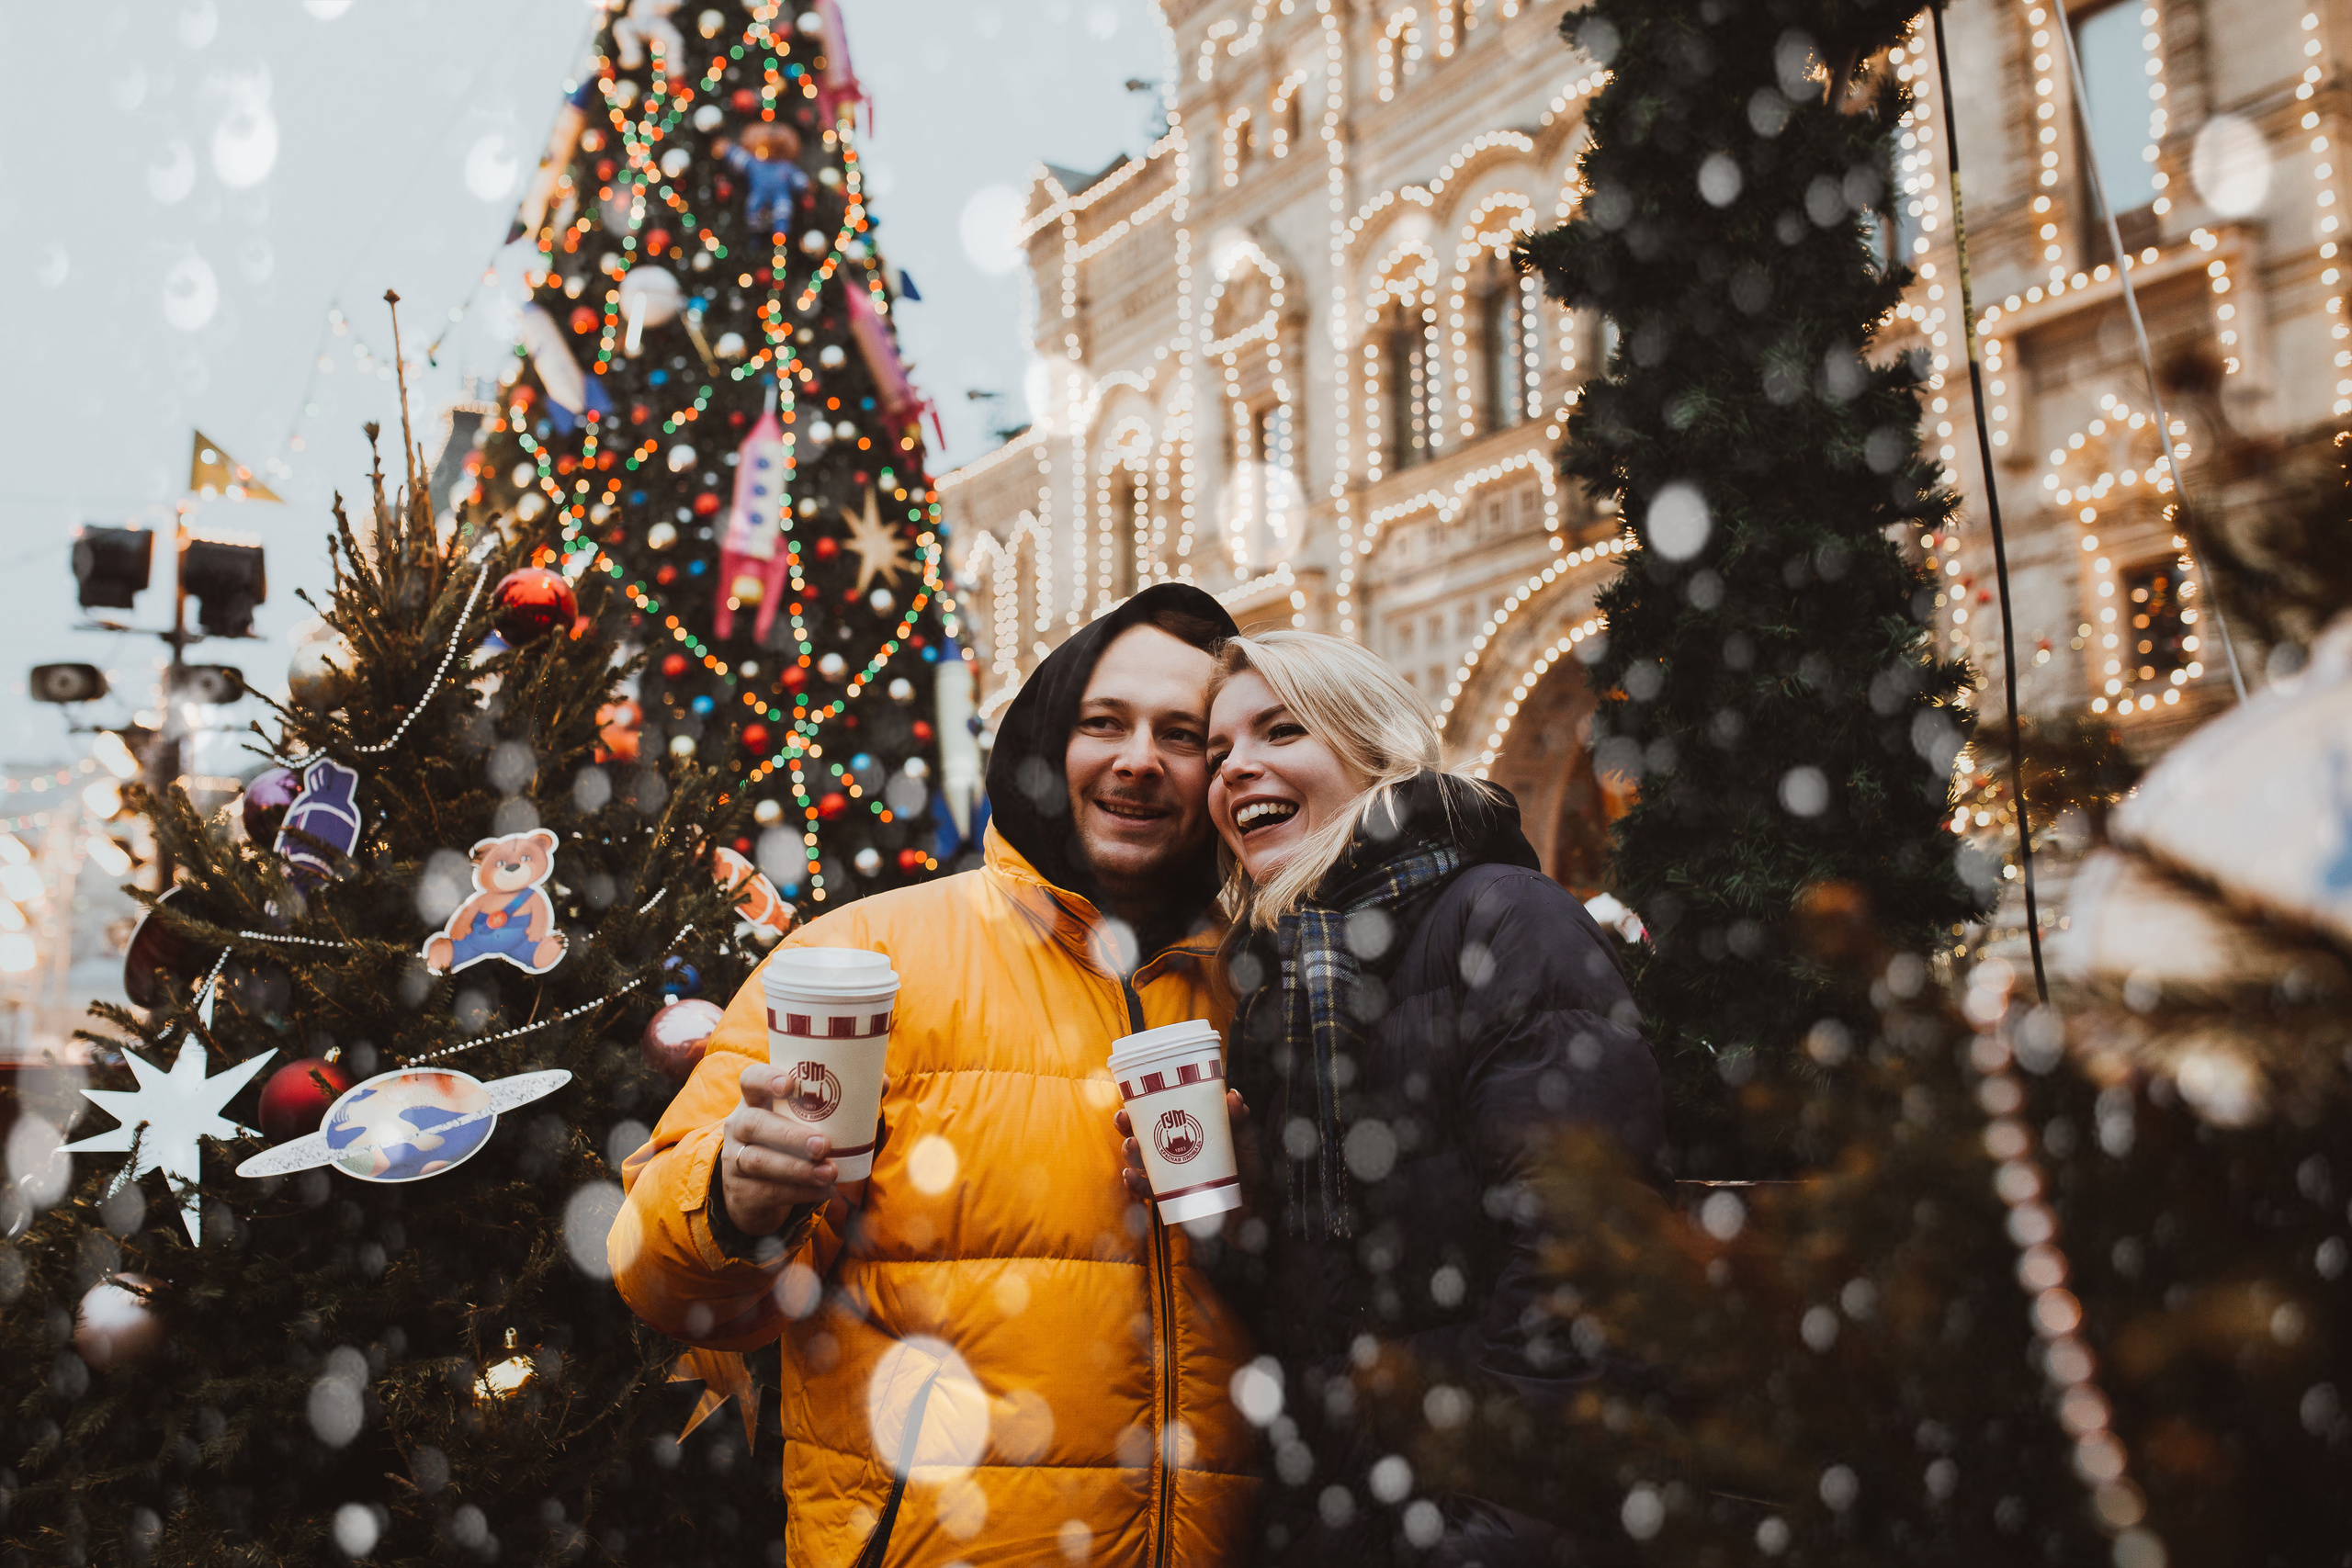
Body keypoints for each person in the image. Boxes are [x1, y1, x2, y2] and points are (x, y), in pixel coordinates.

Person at [609, 585, 1262, 1565]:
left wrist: (1262, 1211)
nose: (1139, 759)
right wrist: (733, 1200)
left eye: (1180, 735)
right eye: (1103, 722)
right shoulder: (865, 957)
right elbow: (657, 1275)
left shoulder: (1269, 980)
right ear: (1047, 740)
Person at [1164, 628, 1665, 1565]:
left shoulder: (1505, 918)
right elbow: (1321, 1303)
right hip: (1351, 1511)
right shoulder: (1282, 979)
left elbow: (1583, 1263)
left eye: (1281, 730)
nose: (1235, 769)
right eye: (1220, 750)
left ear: (1375, 748)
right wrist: (1231, 1213)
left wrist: (1483, 1535)